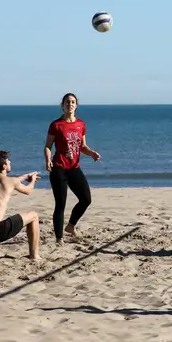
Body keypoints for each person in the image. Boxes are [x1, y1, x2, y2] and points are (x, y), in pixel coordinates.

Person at [44, 93, 100, 245]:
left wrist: (92, 153)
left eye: (73, 102)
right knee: (60, 204)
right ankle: (59, 238)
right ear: (62, 105)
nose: (70, 104)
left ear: (76, 105)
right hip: (59, 168)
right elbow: (48, 146)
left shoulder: (81, 124)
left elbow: (82, 146)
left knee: (86, 199)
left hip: (74, 168)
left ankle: (70, 226)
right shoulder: (56, 125)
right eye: (67, 102)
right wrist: (48, 160)